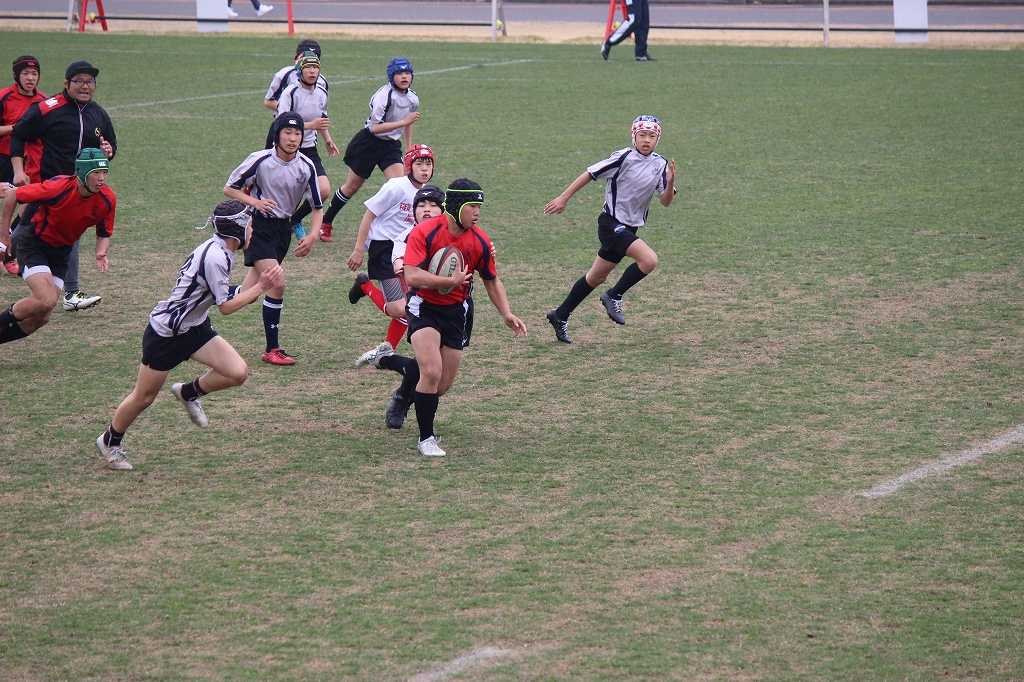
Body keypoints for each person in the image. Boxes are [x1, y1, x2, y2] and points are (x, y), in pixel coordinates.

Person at [95, 200, 285, 471]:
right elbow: (227, 307)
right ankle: (109, 441)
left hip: (194, 327)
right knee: (144, 397)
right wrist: (262, 285)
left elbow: (231, 294)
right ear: (238, 229)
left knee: (237, 372)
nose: (253, 230)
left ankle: (188, 392)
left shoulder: (222, 251)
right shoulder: (216, 257)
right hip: (167, 334)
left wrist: (258, 275)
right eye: (250, 225)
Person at [392, 178, 527, 457]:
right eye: (472, 206)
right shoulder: (425, 232)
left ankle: (398, 378)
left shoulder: (480, 240)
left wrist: (506, 313)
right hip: (423, 306)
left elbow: (491, 279)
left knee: (440, 386)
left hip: (456, 312)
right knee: (431, 371)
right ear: (455, 206)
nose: (477, 212)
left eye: (479, 207)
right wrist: (448, 281)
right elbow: (412, 275)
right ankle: (426, 439)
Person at [544, 115, 676, 344]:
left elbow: (665, 201)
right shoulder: (623, 157)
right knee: (649, 260)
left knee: (596, 277)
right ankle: (614, 295)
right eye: (642, 135)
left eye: (651, 136)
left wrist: (671, 181)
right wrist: (564, 198)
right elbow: (590, 173)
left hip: (630, 229)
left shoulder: (661, 164)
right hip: (610, 224)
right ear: (634, 136)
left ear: (658, 139)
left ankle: (560, 315)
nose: (646, 140)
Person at [10, 60, 116, 311]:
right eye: (79, 81)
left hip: (80, 187)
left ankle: (11, 249)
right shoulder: (47, 109)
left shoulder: (98, 114)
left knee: (45, 229)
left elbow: (110, 145)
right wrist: (18, 170)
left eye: (89, 81)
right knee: (41, 229)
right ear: (66, 83)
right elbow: (19, 134)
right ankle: (69, 291)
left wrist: (108, 151)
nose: (85, 86)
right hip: (48, 184)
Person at [224, 111, 322, 366]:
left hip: (282, 231)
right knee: (277, 283)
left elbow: (317, 207)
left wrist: (312, 235)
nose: (293, 138)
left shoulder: (306, 166)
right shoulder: (260, 160)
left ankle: (215, 293)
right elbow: (229, 188)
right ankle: (272, 349)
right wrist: (255, 202)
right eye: (287, 132)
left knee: (249, 294)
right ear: (277, 135)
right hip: (258, 227)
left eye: (297, 133)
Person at [0, 148, 115, 345]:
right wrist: (4, 236)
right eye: (96, 173)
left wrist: (101, 252)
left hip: (61, 253)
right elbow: (12, 195)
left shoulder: (107, 199)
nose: (101, 178)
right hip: (34, 244)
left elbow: (104, 232)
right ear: (82, 172)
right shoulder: (58, 187)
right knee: (45, 300)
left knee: (42, 316)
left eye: (104, 172)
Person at [348, 144, 436, 365]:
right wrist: (359, 249)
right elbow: (369, 215)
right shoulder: (396, 187)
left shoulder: (427, 193)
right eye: (419, 163)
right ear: (408, 166)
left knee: (411, 304)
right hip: (384, 248)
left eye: (428, 164)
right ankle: (365, 286)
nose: (424, 169)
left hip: (409, 249)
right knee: (399, 308)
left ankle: (387, 350)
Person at [319, 57, 420, 243]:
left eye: (407, 73)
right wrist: (403, 122)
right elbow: (374, 128)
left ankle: (400, 230)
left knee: (401, 185)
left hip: (390, 146)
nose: (404, 77)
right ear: (391, 76)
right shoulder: (383, 96)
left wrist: (408, 148)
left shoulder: (413, 98)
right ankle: (326, 221)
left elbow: (409, 122)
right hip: (368, 143)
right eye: (399, 73)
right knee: (351, 187)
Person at [273, 50, 337, 234]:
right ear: (300, 70)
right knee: (283, 190)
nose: (312, 71)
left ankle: (294, 220)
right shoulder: (290, 93)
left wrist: (328, 139)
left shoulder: (322, 92)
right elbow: (281, 123)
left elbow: (321, 119)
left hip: (308, 148)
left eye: (316, 67)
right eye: (308, 67)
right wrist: (310, 125)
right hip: (286, 149)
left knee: (324, 190)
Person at [0, 55, 46, 276]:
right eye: (26, 73)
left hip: (28, 163)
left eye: (34, 74)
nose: (30, 78)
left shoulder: (43, 101)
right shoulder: (4, 97)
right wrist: (16, 128)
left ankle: (9, 253)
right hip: (3, 158)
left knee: (28, 206)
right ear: (16, 76)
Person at [263, 40, 324, 114]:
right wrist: (290, 110)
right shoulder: (284, 75)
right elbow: (268, 101)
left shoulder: (322, 82)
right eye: (304, 58)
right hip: (286, 120)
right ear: (296, 58)